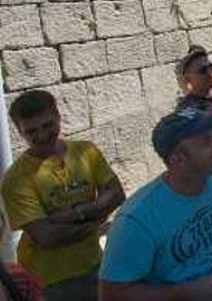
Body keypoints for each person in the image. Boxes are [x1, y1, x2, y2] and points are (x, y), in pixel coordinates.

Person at [99, 108, 212, 301]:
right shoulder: (136, 219)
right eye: (205, 140)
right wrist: (185, 293)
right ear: (178, 158)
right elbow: (111, 295)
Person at [1, 90, 124, 301]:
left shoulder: (86, 151)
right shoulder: (16, 178)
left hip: (94, 262)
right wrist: (96, 219)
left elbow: (117, 195)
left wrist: (71, 214)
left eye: (47, 125)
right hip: (48, 280)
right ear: (20, 132)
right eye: (31, 131)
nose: (41, 136)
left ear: (58, 117)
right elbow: (46, 237)